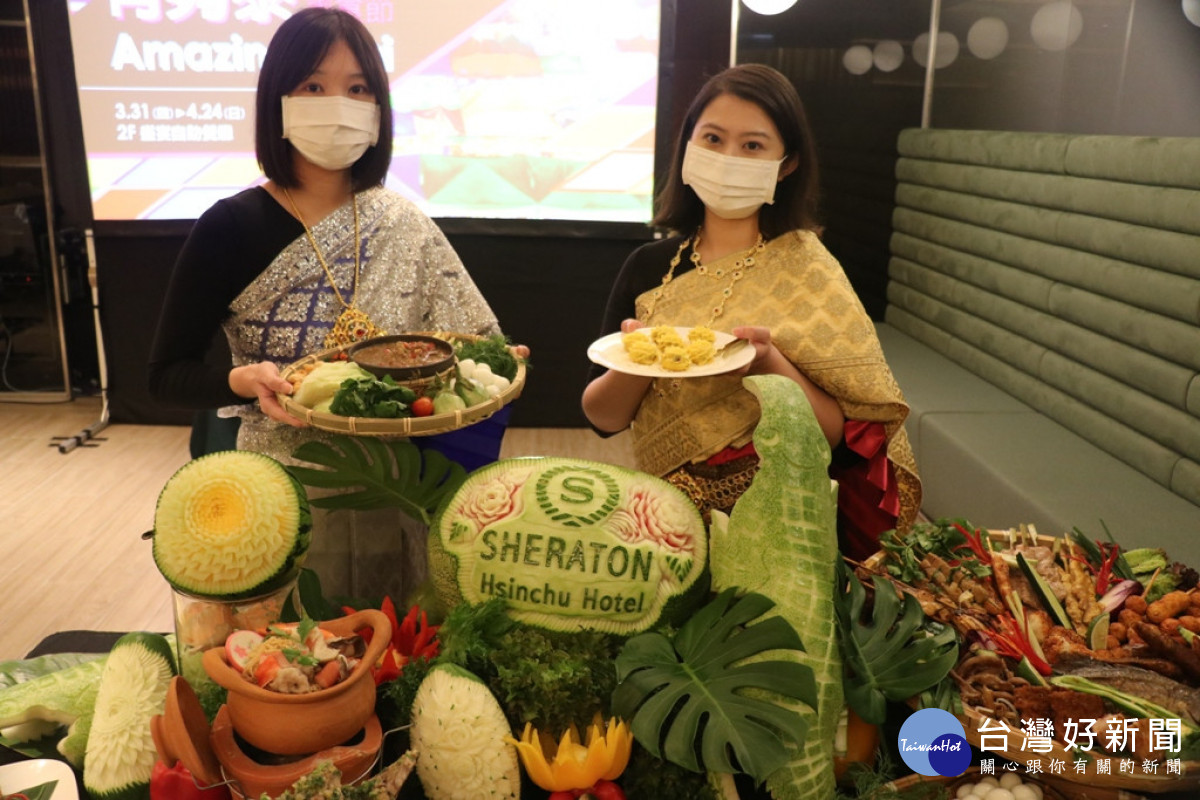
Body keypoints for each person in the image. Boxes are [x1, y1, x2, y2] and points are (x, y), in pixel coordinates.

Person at [149, 8, 517, 602]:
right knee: (295, 665)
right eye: (314, 86)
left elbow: (470, 348)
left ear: (377, 110)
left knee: (395, 651)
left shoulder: (404, 222)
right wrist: (244, 380)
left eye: (357, 88)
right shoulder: (230, 227)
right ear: (279, 102)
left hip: (395, 489)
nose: (337, 103)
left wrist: (489, 366)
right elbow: (164, 377)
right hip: (279, 499)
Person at [581, 64, 920, 559]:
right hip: (668, 521)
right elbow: (601, 417)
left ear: (787, 164)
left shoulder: (808, 271)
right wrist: (641, 359)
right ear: (688, 148)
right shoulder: (647, 268)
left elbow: (840, 436)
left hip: (782, 525)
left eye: (753, 146)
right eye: (713, 139)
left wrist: (769, 363)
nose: (727, 158)